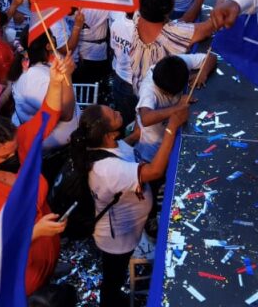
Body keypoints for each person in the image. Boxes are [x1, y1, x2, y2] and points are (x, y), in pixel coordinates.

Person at [0, 56, 75, 303]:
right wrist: (35, 232)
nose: (14, 156)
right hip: (15, 288)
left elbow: (48, 115)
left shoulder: (18, 142)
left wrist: (55, 81)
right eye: (5, 155)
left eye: (15, 149)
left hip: (42, 270)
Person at [71, 100, 187, 307]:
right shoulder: (107, 170)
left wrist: (133, 136)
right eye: (114, 115)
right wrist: (171, 127)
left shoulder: (105, 146)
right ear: (110, 135)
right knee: (114, 276)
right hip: (117, 240)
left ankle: (114, 295)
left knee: (115, 273)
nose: (118, 111)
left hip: (126, 228)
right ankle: (111, 301)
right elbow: (155, 171)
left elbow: (123, 147)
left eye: (113, 108)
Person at [12, 38, 78, 151]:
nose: (56, 46)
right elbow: (66, 114)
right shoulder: (33, 78)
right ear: (48, 46)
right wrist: (67, 76)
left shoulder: (38, 67)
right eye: (54, 41)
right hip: (54, 149)